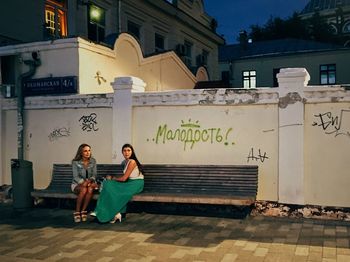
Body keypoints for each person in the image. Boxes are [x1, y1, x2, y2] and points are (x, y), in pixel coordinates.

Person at [93, 143, 144, 223]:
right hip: (129, 182)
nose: (126, 152)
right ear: (122, 152)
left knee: (111, 186)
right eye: (124, 151)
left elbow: (124, 179)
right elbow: (125, 176)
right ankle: (114, 213)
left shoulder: (132, 162)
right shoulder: (124, 162)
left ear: (132, 152)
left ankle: (102, 212)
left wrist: (113, 178)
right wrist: (112, 178)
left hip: (136, 183)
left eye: (128, 150)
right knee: (108, 184)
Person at [71, 143, 98, 223]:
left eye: (89, 150)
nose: (88, 153)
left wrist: (89, 181)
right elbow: (75, 177)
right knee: (83, 190)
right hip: (77, 184)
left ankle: (83, 211)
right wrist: (84, 182)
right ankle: (77, 211)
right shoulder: (75, 162)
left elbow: (94, 174)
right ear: (81, 152)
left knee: (89, 189)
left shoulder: (93, 161)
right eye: (85, 151)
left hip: (89, 183)